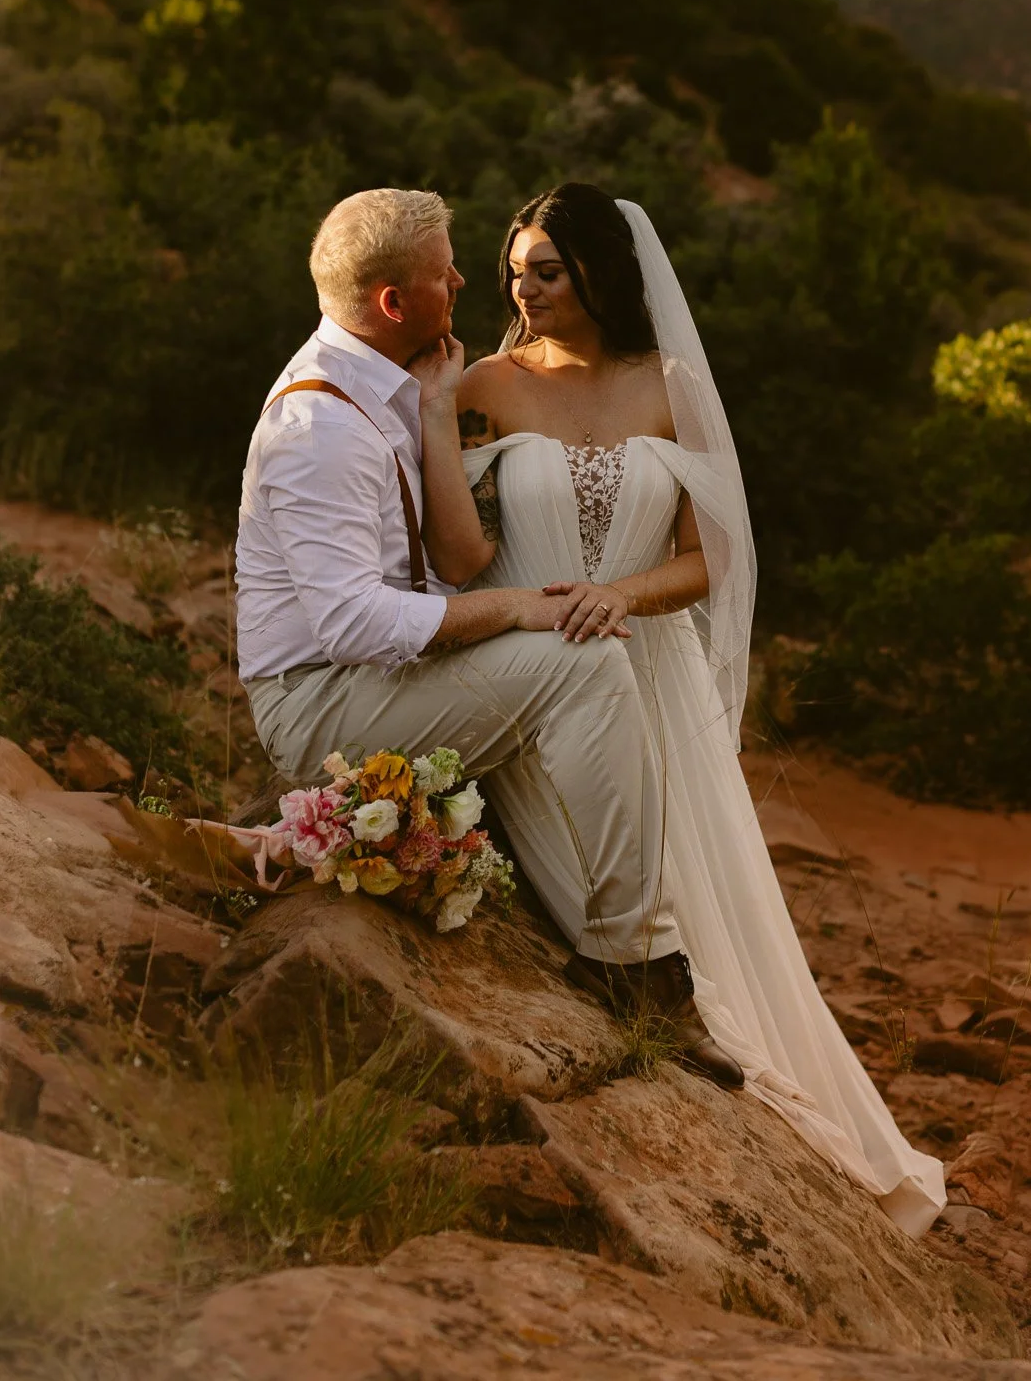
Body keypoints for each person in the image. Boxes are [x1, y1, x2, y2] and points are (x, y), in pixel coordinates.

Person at [418, 181, 946, 1238]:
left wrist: (623, 591)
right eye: (517, 267)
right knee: (587, 894)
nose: (526, 287)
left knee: (700, 898)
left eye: (549, 270)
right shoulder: (482, 382)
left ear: (603, 273)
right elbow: (450, 551)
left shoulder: (672, 385)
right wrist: (434, 414)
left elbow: (710, 557)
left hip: (641, 664)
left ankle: (759, 1086)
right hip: (531, 672)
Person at [234, 186, 742, 1089]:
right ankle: (636, 964)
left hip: (385, 677)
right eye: (456, 271)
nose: (484, 286)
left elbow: (442, 570)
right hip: (327, 701)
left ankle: (630, 949)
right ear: (396, 302)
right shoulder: (324, 423)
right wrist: (517, 612)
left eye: (536, 271)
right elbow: (362, 618)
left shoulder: (390, 387)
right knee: (582, 664)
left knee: (584, 664)